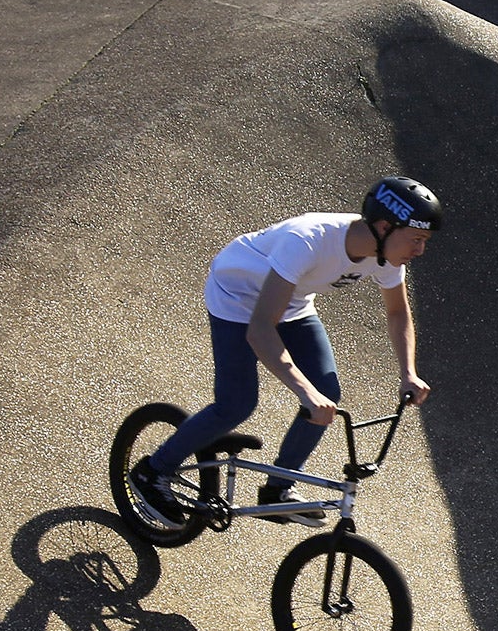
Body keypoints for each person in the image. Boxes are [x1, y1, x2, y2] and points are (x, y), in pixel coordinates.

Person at [128, 178, 442, 529]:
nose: (420, 251)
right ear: (385, 226)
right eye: (417, 240)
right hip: (236, 298)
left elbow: (398, 313)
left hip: (291, 304)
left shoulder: (386, 256)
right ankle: (153, 470)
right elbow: (260, 330)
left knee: (328, 392)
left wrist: (408, 372)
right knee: (237, 404)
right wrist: (304, 392)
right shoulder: (309, 240)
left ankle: (279, 489)